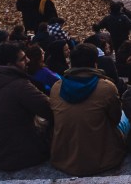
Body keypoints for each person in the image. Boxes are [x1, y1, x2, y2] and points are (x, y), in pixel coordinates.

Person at [0, 43, 52, 171]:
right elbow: (51, 110)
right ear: (9, 65)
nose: (28, 61)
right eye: (22, 59)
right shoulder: (18, 85)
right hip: (16, 155)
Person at [49, 43, 126, 176]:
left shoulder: (56, 88)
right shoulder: (106, 87)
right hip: (103, 159)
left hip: (64, 158)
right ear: (95, 63)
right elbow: (115, 119)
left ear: (71, 63)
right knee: (125, 116)